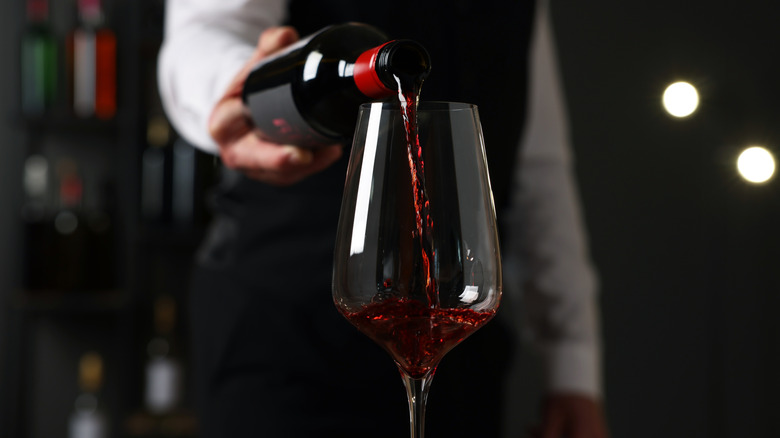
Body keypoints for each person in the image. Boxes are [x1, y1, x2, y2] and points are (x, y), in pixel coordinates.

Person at [158, 0, 608, 437]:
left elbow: (537, 164)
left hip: (459, 356)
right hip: (287, 342)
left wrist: (572, 364)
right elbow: (202, 35)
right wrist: (243, 93)